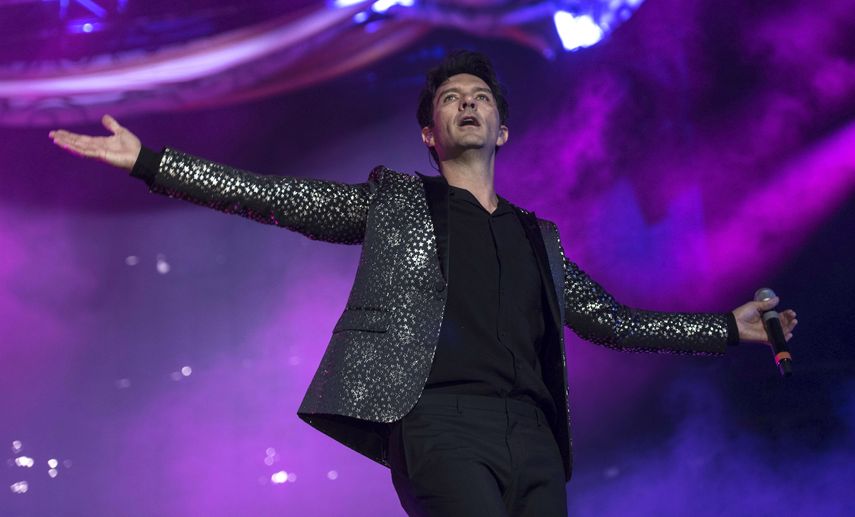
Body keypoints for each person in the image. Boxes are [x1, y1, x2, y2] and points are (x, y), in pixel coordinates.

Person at [49, 51, 797, 517]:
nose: (466, 101)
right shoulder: (394, 202)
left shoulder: (538, 236)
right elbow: (274, 195)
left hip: (534, 435)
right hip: (437, 422)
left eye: (480, 96)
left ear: (501, 129)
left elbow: (611, 319)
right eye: (450, 98)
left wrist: (729, 327)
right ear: (429, 134)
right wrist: (152, 162)